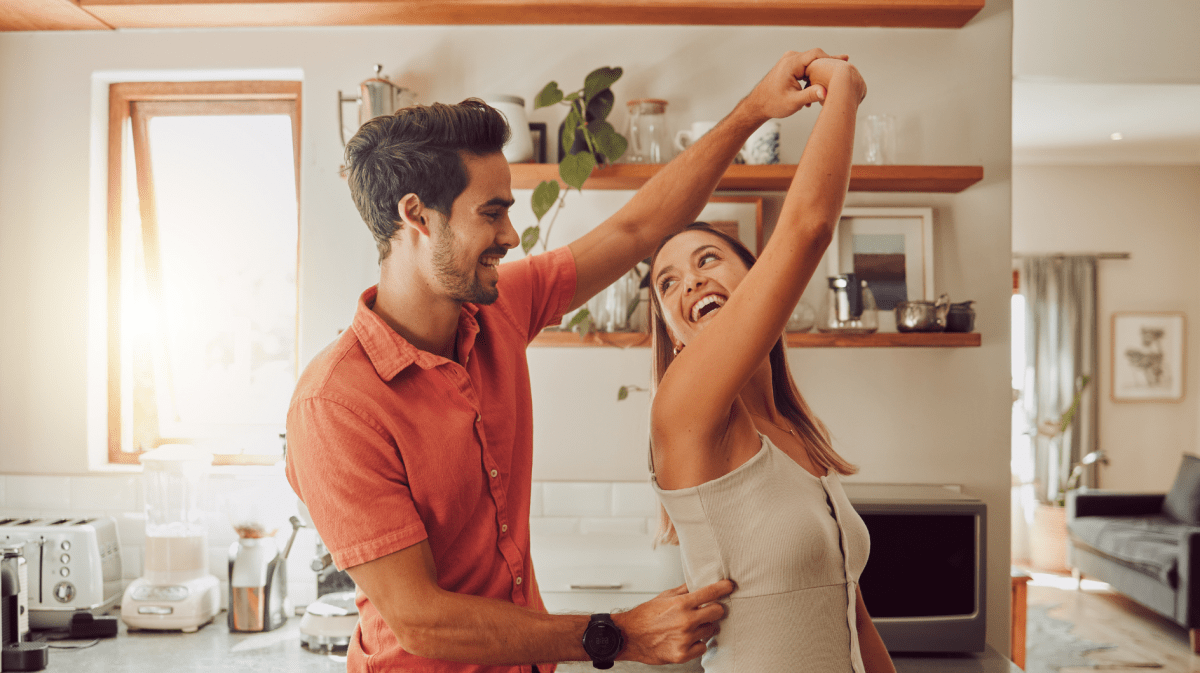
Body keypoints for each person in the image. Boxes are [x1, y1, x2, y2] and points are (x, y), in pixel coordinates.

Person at [285, 49, 839, 673]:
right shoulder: (334, 406)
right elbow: (421, 619)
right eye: (491, 213)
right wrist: (617, 634)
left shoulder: (497, 308)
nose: (510, 236)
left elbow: (636, 231)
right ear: (415, 216)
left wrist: (752, 112)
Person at [646, 57, 896, 673]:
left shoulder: (797, 437)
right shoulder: (685, 413)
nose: (690, 283)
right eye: (668, 283)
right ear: (673, 334)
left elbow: (852, 617)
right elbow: (808, 226)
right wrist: (844, 89)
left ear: (758, 285)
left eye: (708, 259)